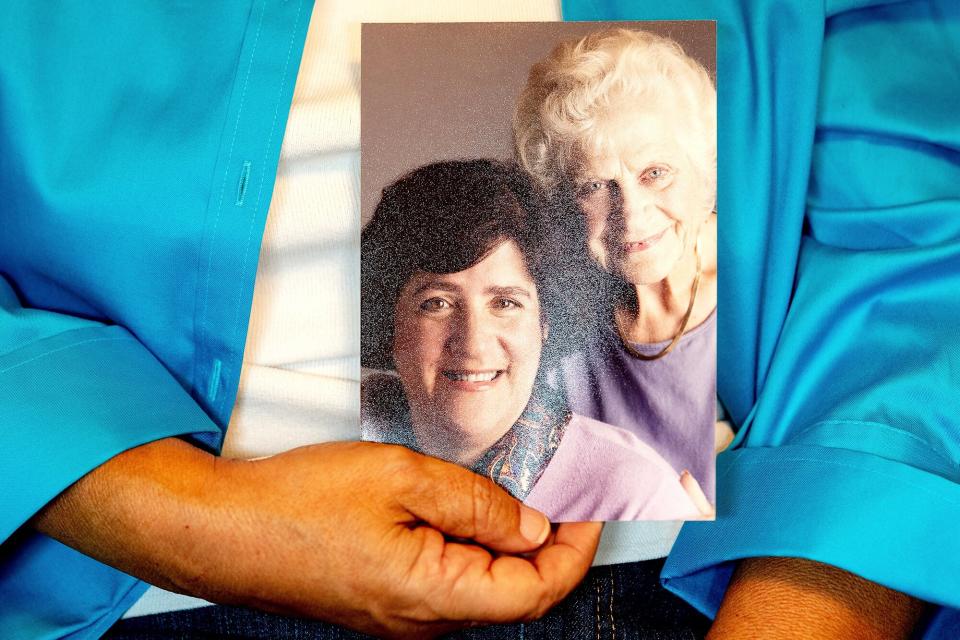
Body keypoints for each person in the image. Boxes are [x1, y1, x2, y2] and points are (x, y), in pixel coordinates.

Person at [361, 159, 701, 521]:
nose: (473, 343)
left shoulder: (635, 498)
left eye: (505, 303)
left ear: (545, 325)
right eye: (438, 304)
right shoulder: (326, 441)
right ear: (388, 320)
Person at [515, 27, 718, 501]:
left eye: (655, 173)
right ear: (565, 201)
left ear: (702, 173)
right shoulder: (561, 341)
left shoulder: (756, 303)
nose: (632, 213)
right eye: (595, 186)